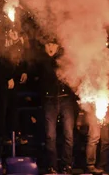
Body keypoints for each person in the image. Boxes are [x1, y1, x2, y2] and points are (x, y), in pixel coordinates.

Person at [38, 39, 75, 174]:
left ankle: (67, 165)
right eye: (47, 44)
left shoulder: (65, 59)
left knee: (68, 134)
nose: (50, 47)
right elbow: (39, 81)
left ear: (58, 46)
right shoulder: (42, 61)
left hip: (66, 100)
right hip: (49, 100)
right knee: (50, 135)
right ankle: (52, 166)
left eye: (53, 44)